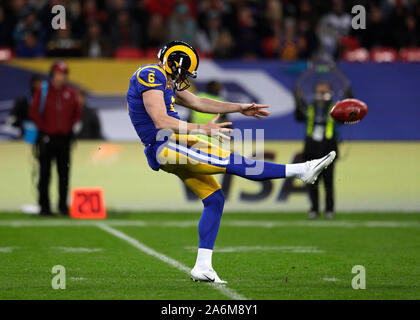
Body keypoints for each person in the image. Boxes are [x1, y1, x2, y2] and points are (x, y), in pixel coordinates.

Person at [126, 40, 335, 283]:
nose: (184, 77)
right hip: (167, 143)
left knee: (214, 199)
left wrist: (239, 107)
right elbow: (161, 120)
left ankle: (203, 267)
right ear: (173, 62)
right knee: (239, 163)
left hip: (176, 142)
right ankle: (302, 170)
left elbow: (198, 102)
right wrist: (200, 127)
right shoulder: (150, 74)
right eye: (183, 71)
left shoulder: (163, 80)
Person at [29, 61, 82, 216]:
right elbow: (33, 112)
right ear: (53, 74)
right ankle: (44, 207)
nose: (62, 77)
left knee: (64, 175)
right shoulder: (43, 91)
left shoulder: (71, 93)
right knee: (45, 174)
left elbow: (77, 113)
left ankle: (62, 207)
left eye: (64, 74)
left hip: (64, 139)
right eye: (59, 73)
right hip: (46, 139)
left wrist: (68, 129)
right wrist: (44, 129)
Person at [295, 81, 338, 220]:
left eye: (324, 92)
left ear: (329, 93)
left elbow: (345, 118)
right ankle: (314, 209)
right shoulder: (310, 107)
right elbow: (299, 117)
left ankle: (329, 210)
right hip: (311, 149)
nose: (321, 95)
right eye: (319, 92)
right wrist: (298, 100)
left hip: (328, 149)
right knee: (312, 182)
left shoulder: (334, 108)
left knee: (328, 183)